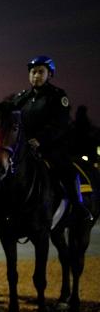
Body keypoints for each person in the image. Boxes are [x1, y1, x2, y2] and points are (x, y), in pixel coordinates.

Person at [13, 55, 93, 221]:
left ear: (50, 74)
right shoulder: (22, 97)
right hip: (24, 147)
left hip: (50, 146)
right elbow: (10, 115)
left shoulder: (57, 96)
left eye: (41, 72)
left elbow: (60, 124)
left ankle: (78, 206)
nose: (36, 75)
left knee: (68, 171)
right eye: (33, 72)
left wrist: (40, 140)